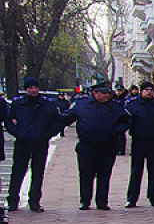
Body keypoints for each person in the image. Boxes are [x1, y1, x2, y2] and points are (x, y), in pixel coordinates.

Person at [61, 83, 131, 210]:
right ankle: (85, 200)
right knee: (86, 175)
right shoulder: (81, 104)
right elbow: (66, 118)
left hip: (107, 146)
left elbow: (126, 121)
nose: (107, 96)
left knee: (104, 175)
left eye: (108, 93)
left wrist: (116, 131)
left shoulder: (115, 106)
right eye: (104, 93)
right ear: (95, 93)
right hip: (87, 145)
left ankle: (102, 201)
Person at [5, 77, 62, 212]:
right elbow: (8, 120)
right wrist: (17, 132)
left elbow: (58, 121)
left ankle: (34, 201)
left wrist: (47, 134)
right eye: (30, 88)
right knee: (17, 171)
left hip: (40, 142)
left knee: (38, 172)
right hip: (22, 142)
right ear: (26, 89)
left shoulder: (47, 104)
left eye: (35, 87)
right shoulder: (18, 104)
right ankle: (12, 200)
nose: (33, 90)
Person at [125, 81, 154, 208]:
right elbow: (127, 121)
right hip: (138, 141)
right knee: (136, 171)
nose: (149, 92)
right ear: (141, 91)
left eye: (151, 90)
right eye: (146, 90)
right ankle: (132, 198)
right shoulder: (132, 105)